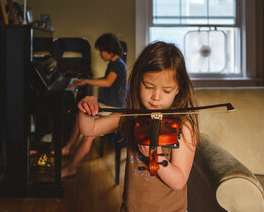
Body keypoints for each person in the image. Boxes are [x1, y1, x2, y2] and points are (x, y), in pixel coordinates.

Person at [77, 41, 200, 211]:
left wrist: (155, 156)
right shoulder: (131, 116)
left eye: (166, 91)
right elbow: (88, 129)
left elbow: (178, 181)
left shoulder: (183, 127)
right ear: (138, 81)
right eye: (148, 87)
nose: (156, 97)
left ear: (178, 89)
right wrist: (86, 110)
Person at [61, 33, 127, 177]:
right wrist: (87, 80)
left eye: (101, 51)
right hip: (106, 104)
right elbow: (106, 79)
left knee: (87, 136)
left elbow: (108, 82)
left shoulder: (118, 65)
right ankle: (68, 148)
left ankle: (72, 167)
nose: (100, 55)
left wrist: (86, 82)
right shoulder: (115, 63)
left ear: (109, 50)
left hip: (113, 108)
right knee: (81, 116)